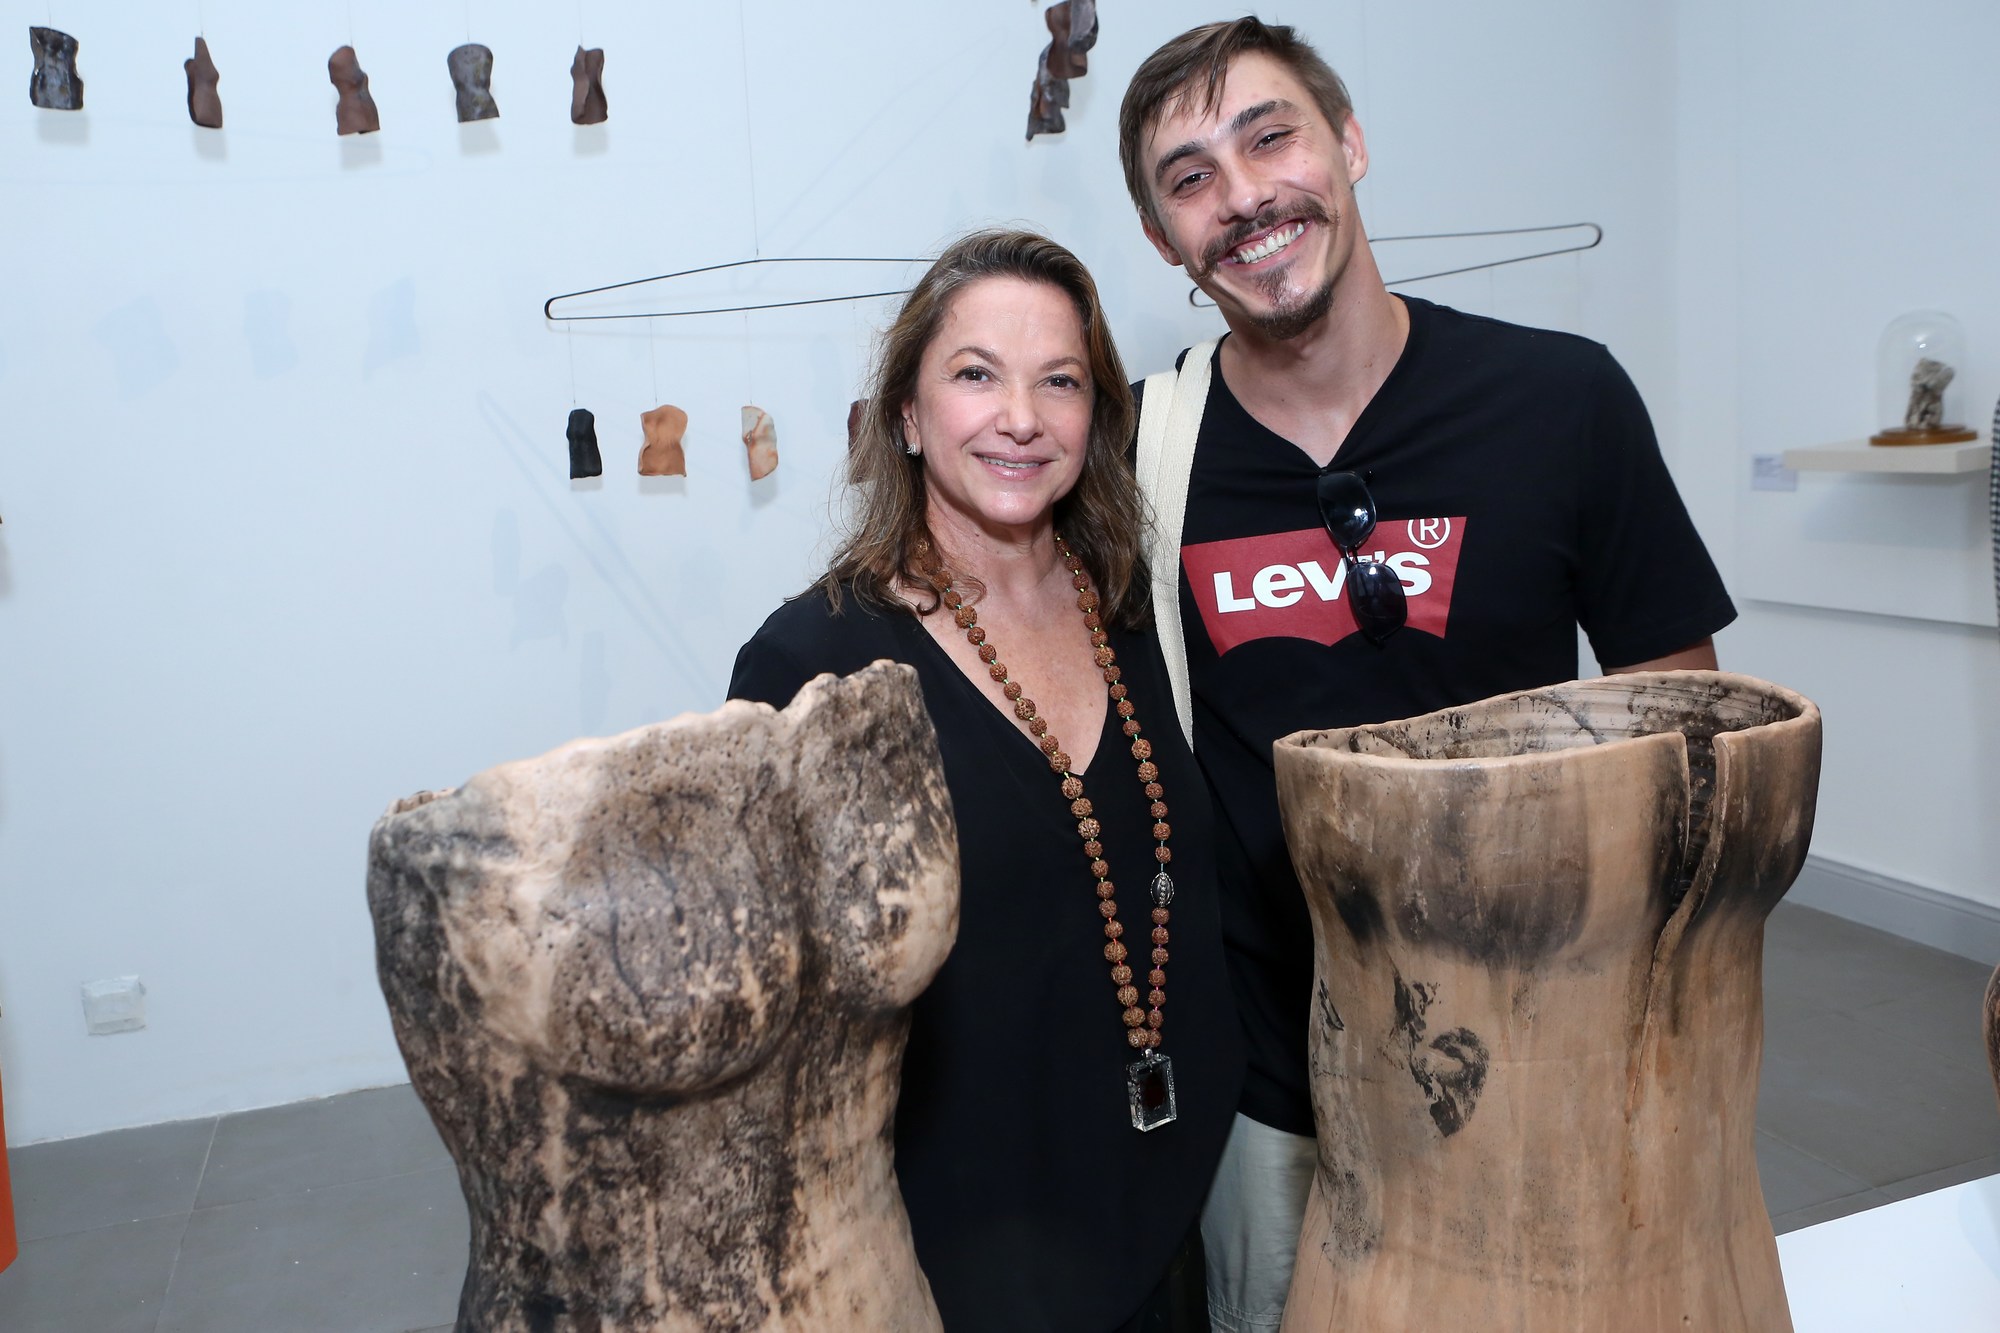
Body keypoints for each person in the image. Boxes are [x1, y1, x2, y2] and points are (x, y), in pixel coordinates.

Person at [1114, 19, 1739, 1332]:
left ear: (1349, 144)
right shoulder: (1138, 459)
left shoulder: (1561, 401)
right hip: (1275, 1093)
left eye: (1270, 137)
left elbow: (1689, 729)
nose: (1243, 195)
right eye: (1190, 178)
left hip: (1543, 1050)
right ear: (1163, 238)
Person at [728, 229, 1245, 1332]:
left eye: (1059, 381)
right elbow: (777, 1028)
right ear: (906, 417)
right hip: (958, 1254)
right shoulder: (811, 663)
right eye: (975, 374)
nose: (1021, 417)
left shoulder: (1130, 609)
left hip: (1162, 1206)